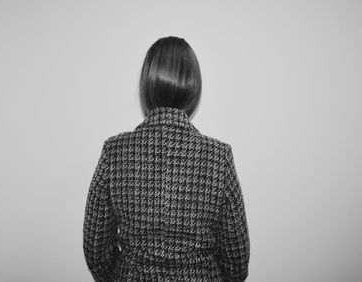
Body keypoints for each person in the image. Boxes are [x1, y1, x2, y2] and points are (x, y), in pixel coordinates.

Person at [83, 36, 250, 281]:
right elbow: (236, 261)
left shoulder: (115, 152)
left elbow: (96, 251)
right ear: (193, 89)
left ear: (146, 87)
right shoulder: (218, 157)